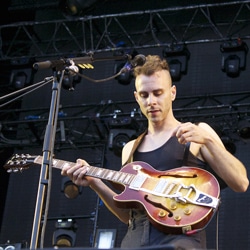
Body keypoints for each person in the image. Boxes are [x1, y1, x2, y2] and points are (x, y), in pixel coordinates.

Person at [61, 55, 249, 249]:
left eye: (158, 93)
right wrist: (94, 182)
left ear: (172, 93)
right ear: (136, 97)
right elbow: (128, 216)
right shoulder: (130, 149)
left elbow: (241, 183)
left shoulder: (198, 133)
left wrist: (209, 140)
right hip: (134, 240)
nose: (151, 101)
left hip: (179, 241)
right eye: (144, 95)